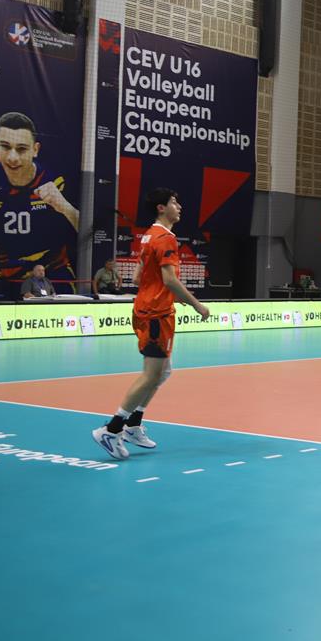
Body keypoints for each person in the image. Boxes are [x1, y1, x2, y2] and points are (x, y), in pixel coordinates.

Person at [91, 188, 211, 459]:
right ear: (161, 208)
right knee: (151, 374)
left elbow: (138, 277)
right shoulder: (166, 238)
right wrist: (197, 304)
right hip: (156, 314)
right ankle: (111, 430)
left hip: (149, 308)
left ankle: (133, 425)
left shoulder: (148, 236)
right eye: (174, 202)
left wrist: (165, 293)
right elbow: (169, 280)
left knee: (163, 372)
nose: (179, 206)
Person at [0, 112, 80, 297]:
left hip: (51, 271)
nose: (13, 158)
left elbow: (89, 232)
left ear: (35, 149)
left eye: (22, 149)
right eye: (5, 146)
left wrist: (65, 207)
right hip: (3, 273)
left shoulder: (57, 180)